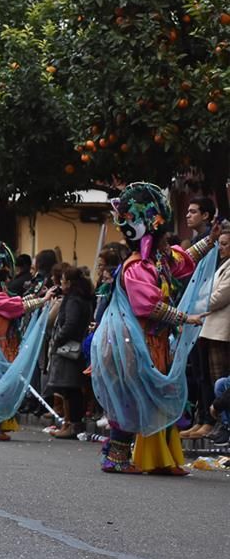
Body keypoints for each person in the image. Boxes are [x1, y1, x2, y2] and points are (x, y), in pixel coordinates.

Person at [93, 182, 218, 475]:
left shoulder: (158, 260)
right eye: (163, 238)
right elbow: (147, 306)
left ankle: (162, 458)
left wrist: (210, 241)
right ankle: (116, 456)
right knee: (133, 395)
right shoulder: (138, 267)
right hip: (131, 344)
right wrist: (185, 318)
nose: (168, 244)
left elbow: (184, 258)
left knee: (159, 395)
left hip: (152, 341)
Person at [0, 241, 56, 441]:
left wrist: (37, 296)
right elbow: (17, 307)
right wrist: (41, 301)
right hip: (0, 348)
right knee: (2, 386)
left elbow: (16, 302)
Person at [46, 267, 94, 439]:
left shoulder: (73, 300)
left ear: (71, 283)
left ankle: (72, 424)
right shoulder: (81, 298)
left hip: (69, 349)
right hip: (74, 346)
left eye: (64, 280)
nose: (61, 284)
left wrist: (58, 338)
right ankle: (68, 422)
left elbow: (70, 324)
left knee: (70, 387)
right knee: (67, 388)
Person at [198, 226, 230, 442]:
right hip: (209, 328)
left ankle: (222, 422)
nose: (221, 247)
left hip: (221, 330)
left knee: (220, 378)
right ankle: (215, 421)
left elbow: (218, 297)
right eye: (220, 243)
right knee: (211, 379)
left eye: (226, 244)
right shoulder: (221, 265)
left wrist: (198, 303)